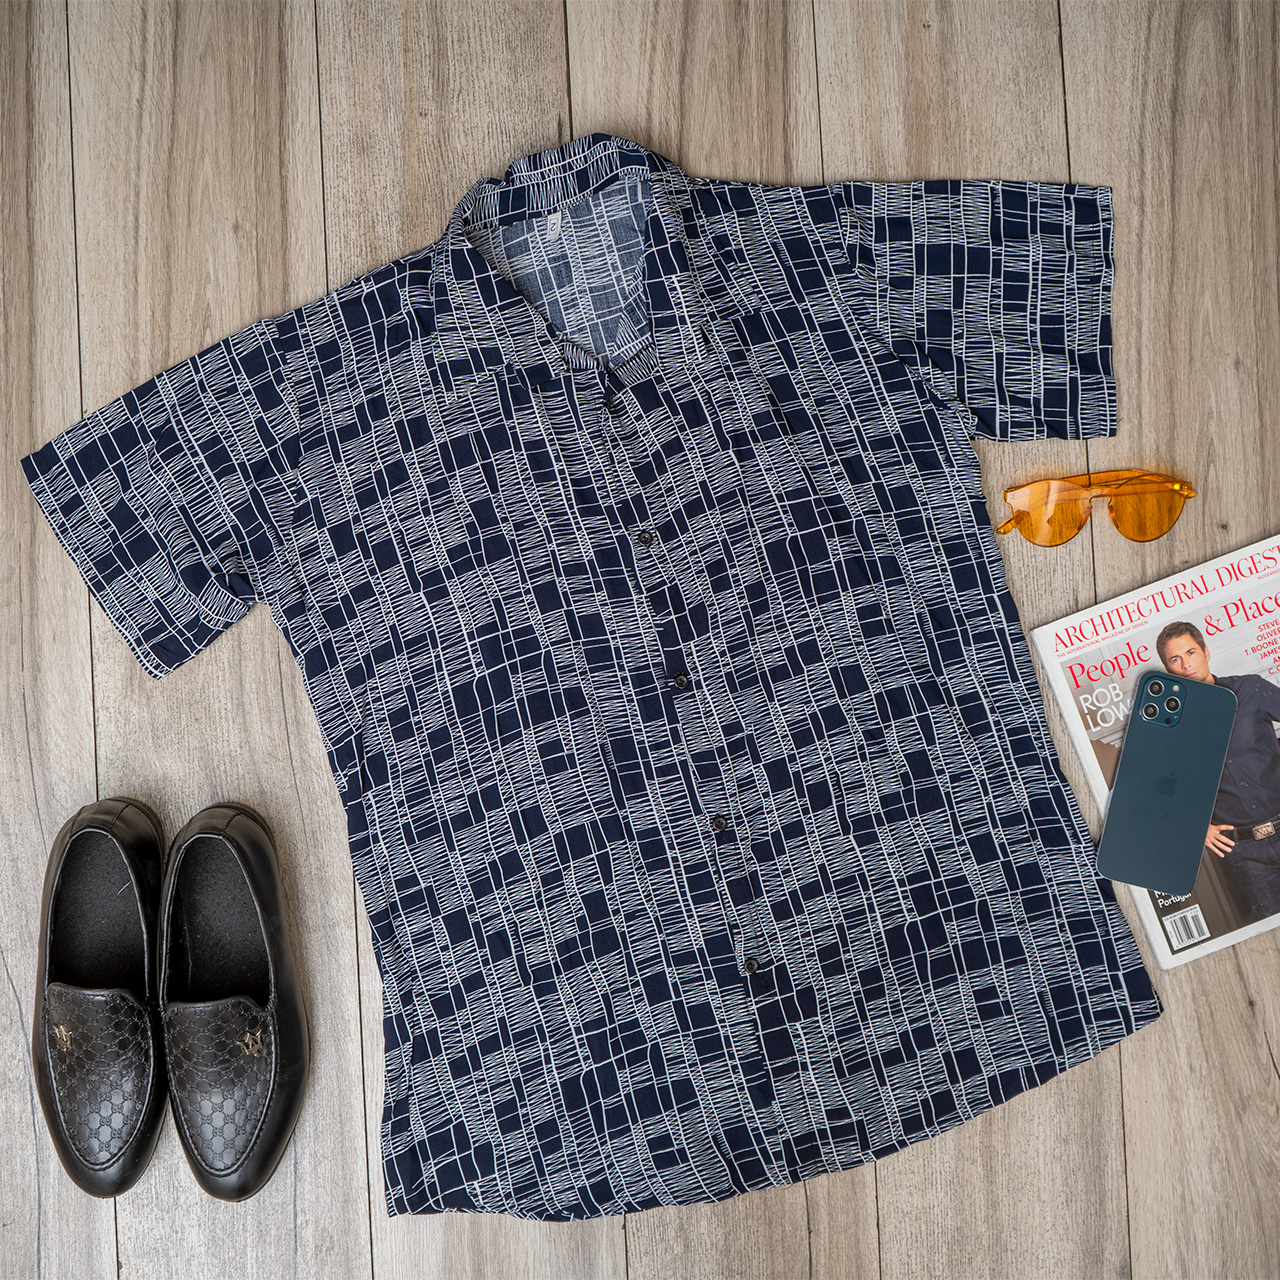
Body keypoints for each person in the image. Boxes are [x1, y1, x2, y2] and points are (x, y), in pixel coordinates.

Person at [1157, 620, 1280, 919]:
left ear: (1206, 652)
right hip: (1244, 855)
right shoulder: (1167, 726)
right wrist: (1196, 826)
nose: (1186, 664)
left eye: (1191, 652)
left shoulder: (1251, 689)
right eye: (1175, 659)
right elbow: (1160, 787)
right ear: (1168, 669)